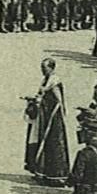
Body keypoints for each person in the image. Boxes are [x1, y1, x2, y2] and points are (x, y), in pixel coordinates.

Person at [25, 58, 71, 186]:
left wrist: (42, 102)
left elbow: (58, 101)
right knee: (43, 143)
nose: (42, 71)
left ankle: (55, 175)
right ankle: (42, 172)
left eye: (44, 68)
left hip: (53, 119)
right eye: (41, 68)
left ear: (51, 68)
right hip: (45, 116)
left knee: (53, 145)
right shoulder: (46, 79)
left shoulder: (54, 81)